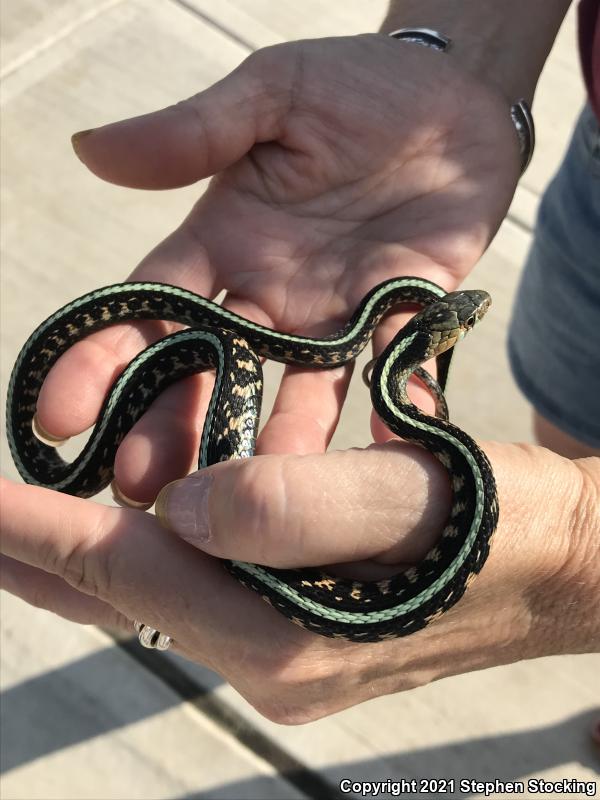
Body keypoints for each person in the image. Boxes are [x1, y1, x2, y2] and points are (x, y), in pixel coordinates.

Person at [1, 0, 598, 724]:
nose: (472, 313)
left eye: (463, 318)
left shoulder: (398, 366)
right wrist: (460, 59)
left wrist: (576, 557)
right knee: (567, 416)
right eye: (464, 317)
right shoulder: (390, 347)